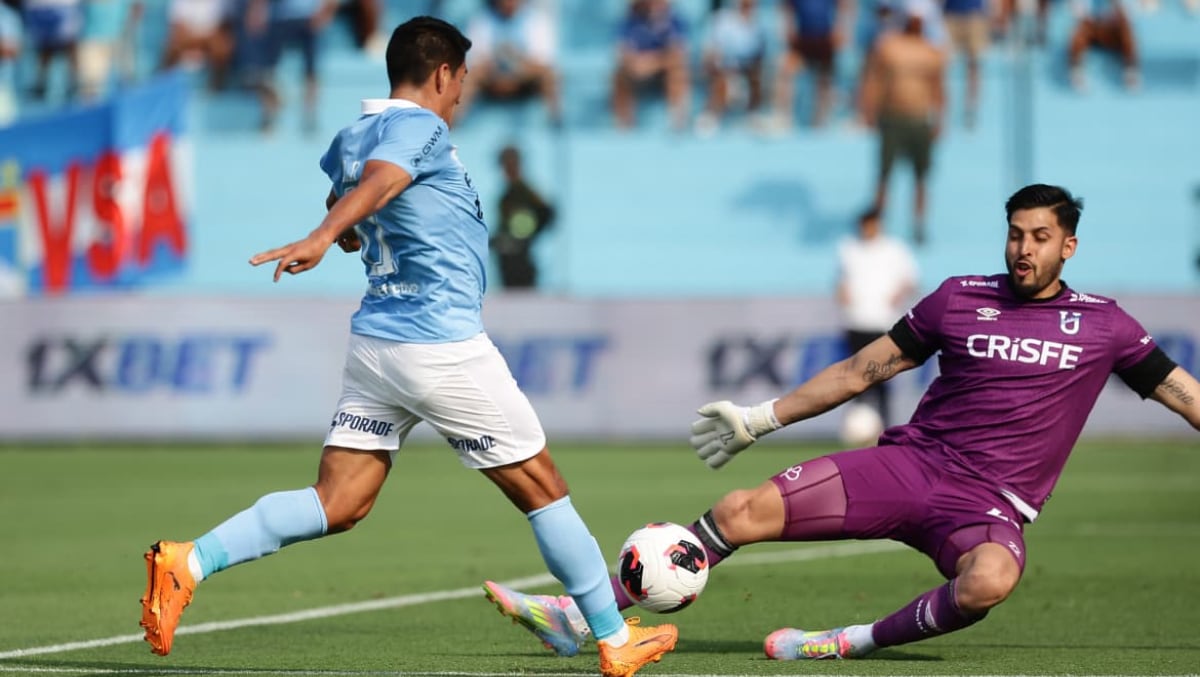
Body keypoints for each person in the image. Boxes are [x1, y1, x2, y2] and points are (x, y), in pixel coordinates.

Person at [138, 16, 678, 677]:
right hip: (441, 343)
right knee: (543, 487)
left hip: (378, 345)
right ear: (443, 73)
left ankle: (186, 561)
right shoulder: (420, 128)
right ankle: (615, 637)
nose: (461, 94)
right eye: (462, 80)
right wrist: (324, 232)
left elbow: (353, 192)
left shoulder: (352, 135)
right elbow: (381, 185)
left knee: (338, 502)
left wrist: (342, 230)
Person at [483, 183, 1200, 660]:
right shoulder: (958, 298)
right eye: (1015, 234)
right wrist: (759, 418)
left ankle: (846, 641)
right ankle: (581, 619)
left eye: (1039, 237)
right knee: (738, 509)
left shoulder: (1105, 325)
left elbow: (1180, 392)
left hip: (988, 506)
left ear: (1067, 245)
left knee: (988, 583)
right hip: (910, 466)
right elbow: (864, 370)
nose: (1022, 249)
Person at [858, 1, 945, 245]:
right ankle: (877, 224)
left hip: (919, 119)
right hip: (893, 118)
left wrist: (940, 119)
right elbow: (874, 79)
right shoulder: (889, 47)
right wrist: (869, 108)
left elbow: (938, 87)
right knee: (884, 175)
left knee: (921, 178)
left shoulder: (931, 51)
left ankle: (919, 225)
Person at [834, 206, 917, 439]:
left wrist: (895, 296)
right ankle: (856, 428)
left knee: (881, 378)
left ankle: (885, 429)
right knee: (854, 378)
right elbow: (841, 279)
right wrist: (843, 294)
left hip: (883, 323)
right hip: (855, 321)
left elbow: (910, 279)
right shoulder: (849, 248)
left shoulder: (894, 249)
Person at [461, 0, 562, 126]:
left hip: (525, 82)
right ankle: (452, 127)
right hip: (492, 80)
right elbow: (473, 61)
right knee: (467, 77)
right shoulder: (482, 20)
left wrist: (514, 61)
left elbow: (543, 62)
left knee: (550, 76)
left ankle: (556, 126)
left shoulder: (536, 20)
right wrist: (498, 64)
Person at [768, 0, 853, 130]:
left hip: (825, 37)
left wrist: (841, 28)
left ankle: (821, 120)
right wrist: (788, 28)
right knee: (786, 72)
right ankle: (783, 115)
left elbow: (843, 5)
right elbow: (786, 8)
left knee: (825, 80)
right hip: (802, 38)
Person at [611, 0, 691, 131]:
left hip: (662, 73)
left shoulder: (674, 22)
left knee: (677, 73)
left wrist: (652, 63)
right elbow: (622, 54)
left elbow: (678, 55)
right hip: (636, 73)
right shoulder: (629, 22)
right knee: (619, 75)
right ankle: (623, 126)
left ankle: (678, 124)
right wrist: (636, 64)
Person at [695, 0, 768, 136]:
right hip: (723, 66)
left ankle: (753, 115)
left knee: (757, 74)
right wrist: (724, 65)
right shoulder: (722, 19)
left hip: (747, 68)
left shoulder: (760, 23)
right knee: (720, 75)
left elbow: (759, 54)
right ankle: (711, 116)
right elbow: (710, 51)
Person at [491, 145, 555, 289]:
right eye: (506, 164)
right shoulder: (506, 196)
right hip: (506, 265)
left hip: (522, 265)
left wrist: (525, 237)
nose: (508, 169)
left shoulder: (526, 193)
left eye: (512, 164)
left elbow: (548, 214)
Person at [1067, 0, 1140, 91]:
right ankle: (1076, 69)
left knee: (1126, 29)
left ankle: (1130, 70)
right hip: (1092, 30)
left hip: (1113, 31)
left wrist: (1116, 9)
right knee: (1080, 30)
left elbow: (1130, 14)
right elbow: (1077, 11)